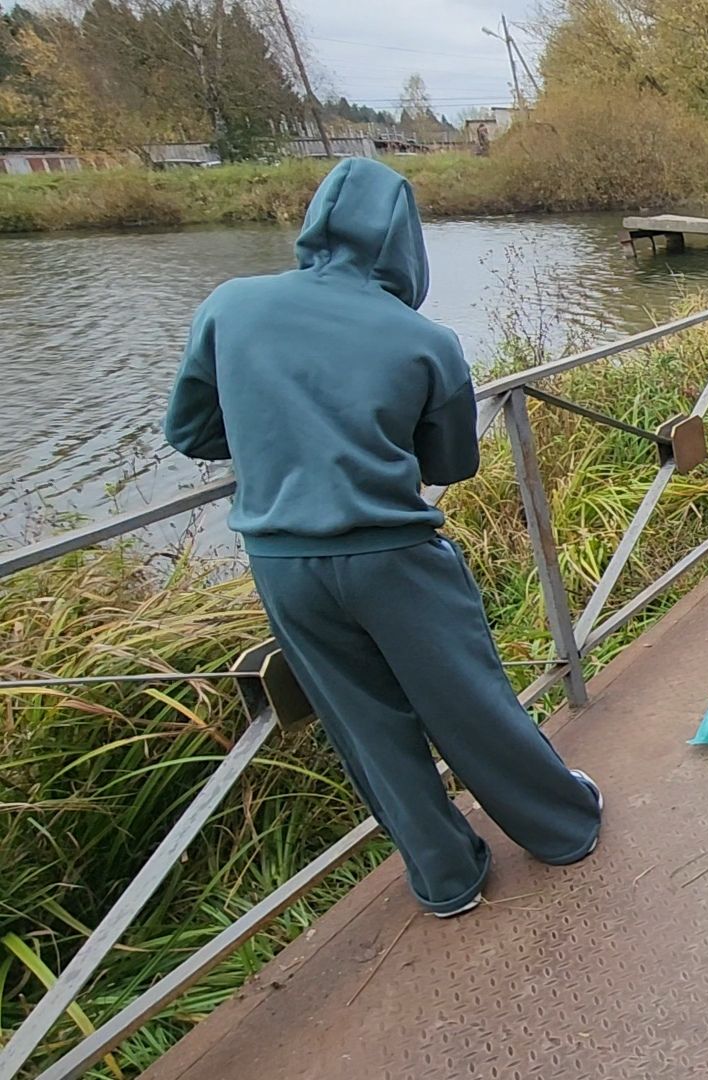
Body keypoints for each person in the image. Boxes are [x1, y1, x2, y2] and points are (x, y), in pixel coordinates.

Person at [163, 158, 602, 919]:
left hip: (283, 561)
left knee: (364, 726)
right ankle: (560, 827)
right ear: (404, 241)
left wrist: (285, 433)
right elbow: (450, 464)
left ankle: (445, 878)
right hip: (393, 554)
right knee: (468, 700)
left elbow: (192, 430)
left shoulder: (231, 306)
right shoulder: (422, 338)